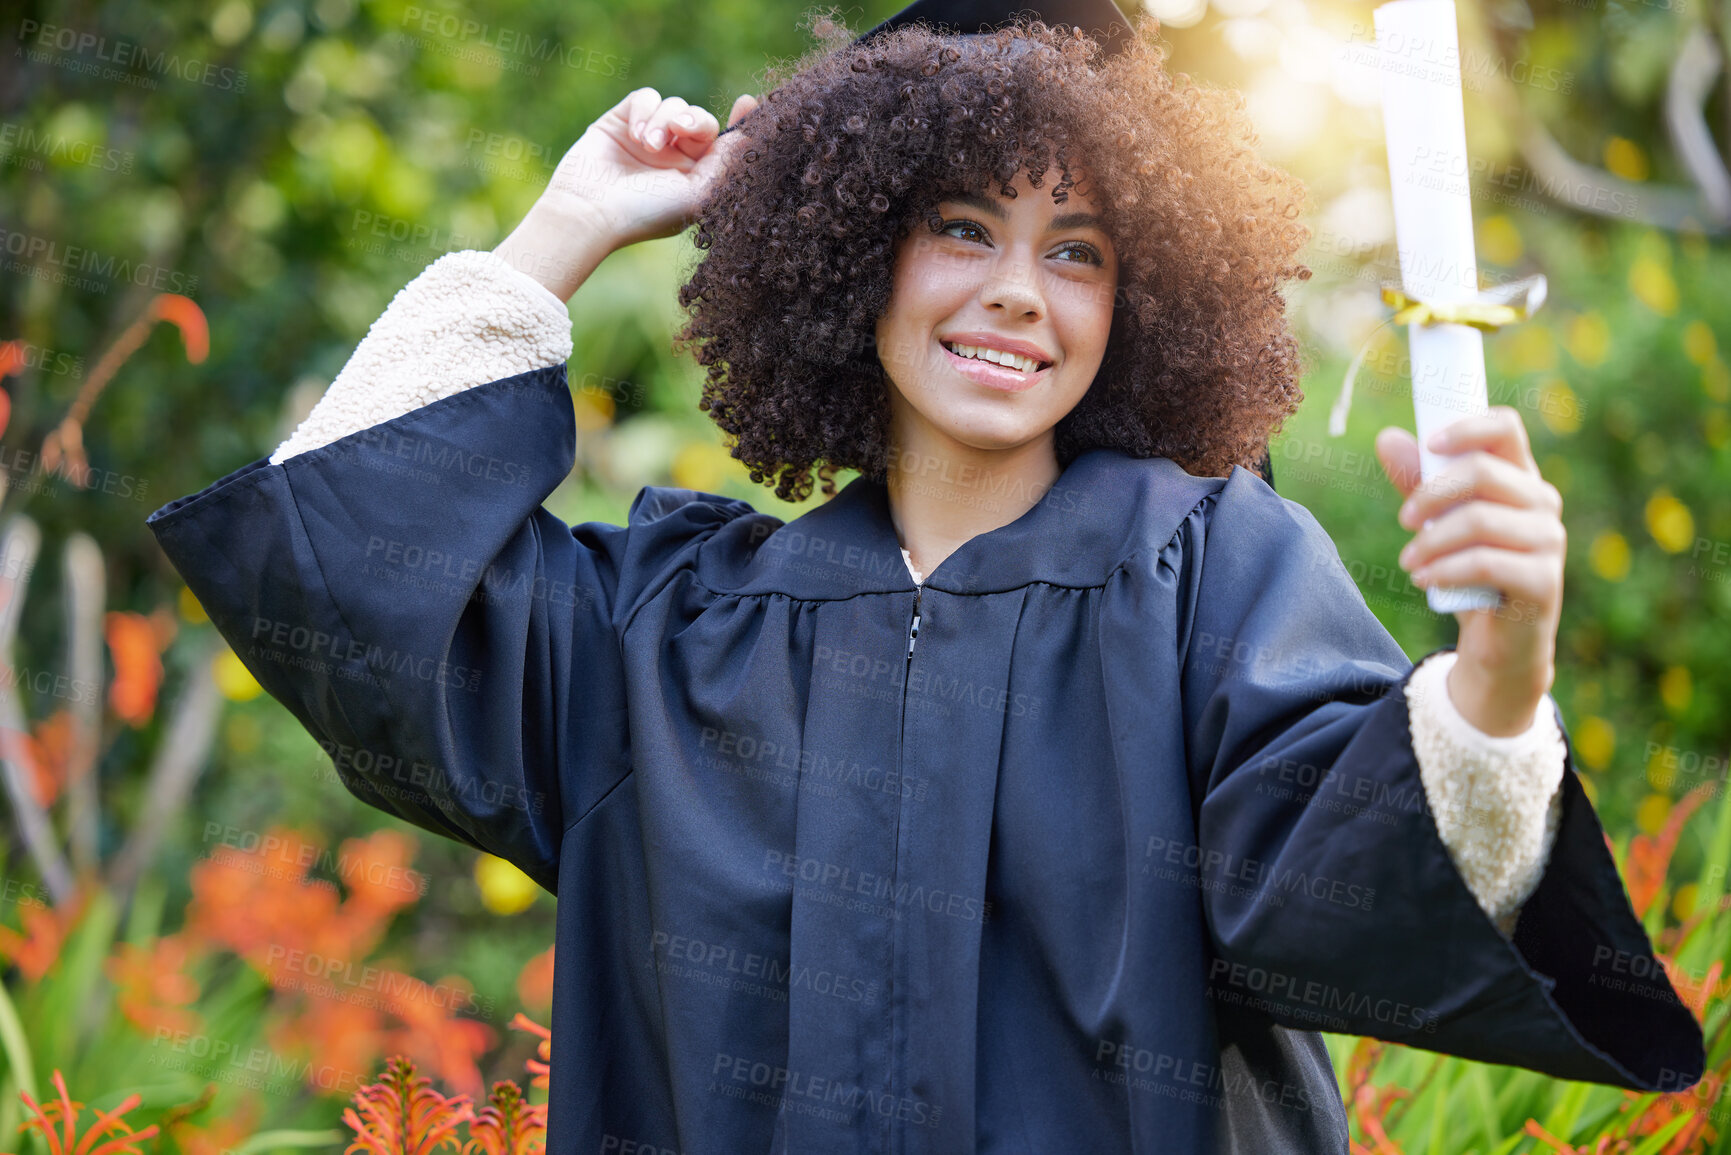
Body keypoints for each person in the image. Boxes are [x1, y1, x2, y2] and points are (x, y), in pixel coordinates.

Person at [146, 6, 1703, 1152]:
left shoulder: (1206, 572)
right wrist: (567, 226)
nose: (1018, 294)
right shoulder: (672, 634)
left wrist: (1500, 679)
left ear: (1145, 296)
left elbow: (1339, 890)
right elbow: (350, 567)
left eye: (1080, 249)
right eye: (962, 227)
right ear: (849, 253)